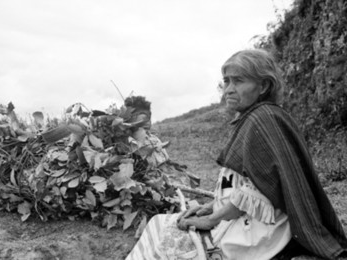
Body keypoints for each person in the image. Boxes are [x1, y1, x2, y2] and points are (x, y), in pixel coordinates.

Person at [126, 49, 347, 260]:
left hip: (259, 232)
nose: (229, 89)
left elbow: (259, 191)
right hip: (243, 218)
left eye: (239, 81)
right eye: (227, 81)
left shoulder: (264, 119)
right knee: (158, 223)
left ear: (263, 86)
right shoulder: (256, 117)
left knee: (167, 241)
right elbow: (242, 182)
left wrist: (212, 219)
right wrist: (211, 206)